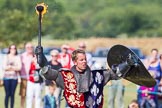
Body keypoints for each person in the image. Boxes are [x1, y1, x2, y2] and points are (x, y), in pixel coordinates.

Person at [35, 46, 136, 108]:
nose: (84, 62)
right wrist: (40, 56)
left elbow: (115, 74)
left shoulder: (97, 75)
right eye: (81, 60)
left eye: (85, 59)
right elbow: (46, 71)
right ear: (75, 62)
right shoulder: (65, 76)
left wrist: (127, 64)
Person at [19, 42, 34, 108]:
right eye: (28, 47)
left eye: (31, 47)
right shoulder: (22, 56)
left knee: (33, 95)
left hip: (33, 79)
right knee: (23, 94)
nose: (29, 49)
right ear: (25, 48)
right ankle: (22, 106)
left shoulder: (35, 56)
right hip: (24, 78)